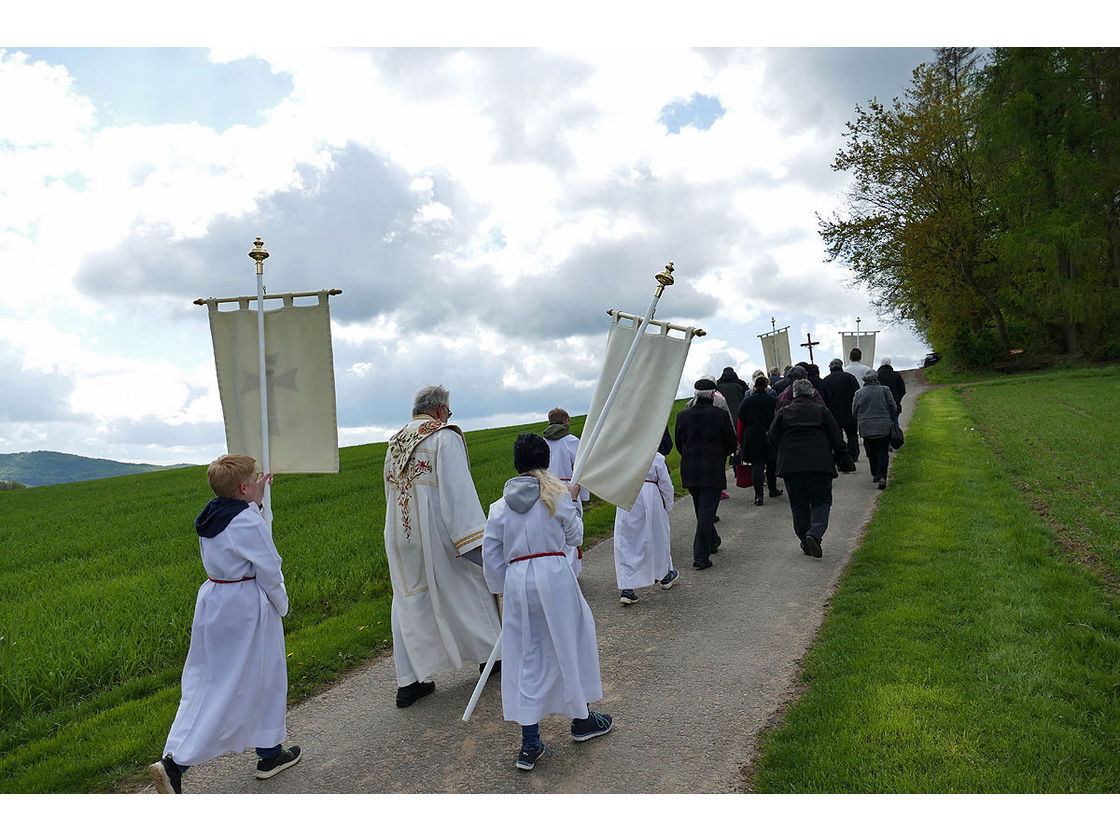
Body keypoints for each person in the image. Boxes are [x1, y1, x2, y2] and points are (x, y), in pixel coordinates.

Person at [149, 455, 300, 794]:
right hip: (247, 605)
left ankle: (270, 752)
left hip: (216, 601)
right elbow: (269, 566)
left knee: (212, 681)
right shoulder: (246, 521)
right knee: (253, 680)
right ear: (243, 487)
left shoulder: (214, 514)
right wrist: (282, 604)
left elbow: (238, 535)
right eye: (252, 480)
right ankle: (176, 765)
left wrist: (256, 502)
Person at [482, 434, 613, 771]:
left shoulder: (498, 507)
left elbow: (491, 556)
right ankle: (581, 719)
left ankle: (530, 742)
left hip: (518, 582)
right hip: (554, 576)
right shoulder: (557, 495)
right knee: (568, 643)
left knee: (527, 654)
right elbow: (576, 537)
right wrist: (571, 508)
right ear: (545, 460)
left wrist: (503, 588)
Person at [383, 385, 502, 708]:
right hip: (438, 533)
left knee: (409, 602)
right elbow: (457, 490)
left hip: (400, 534)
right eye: (448, 412)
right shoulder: (444, 436)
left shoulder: (395, 442)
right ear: (439, 411)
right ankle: (492, 656)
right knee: (469, 585)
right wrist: (474, 539)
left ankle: (409, 682)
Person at [767, 380, 856, 558]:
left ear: (794, 394)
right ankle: (814, 533)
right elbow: (836, 438)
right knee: (821, 502)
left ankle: (806, 542)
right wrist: (845, 461)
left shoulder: (784, 412)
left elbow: (772, 437)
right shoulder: (822, 411)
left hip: (791, 465)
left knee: (799, 505)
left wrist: (784, 450)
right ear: (812, 394)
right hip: (819, 464)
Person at [674, 378, 737, 570]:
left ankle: (712, 541)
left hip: (690, 468)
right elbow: (731, 442)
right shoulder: (720, 415)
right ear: (712, 395)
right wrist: (721, 455)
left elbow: (679, 443)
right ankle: (701, 556)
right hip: (712, 468)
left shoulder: (682, 416)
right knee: (706, 512)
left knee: (701, 509)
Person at [614, 449, 677, 604]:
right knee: (658, 536)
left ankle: (627, 588)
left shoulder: (621, 455)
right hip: (651, 496)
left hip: (627, 495)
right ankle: (664, 575)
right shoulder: (655, 456)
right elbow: (665, 483)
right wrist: (668, 503)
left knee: (627, 540)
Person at [542, 406, 590, 576]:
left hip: (546, 488)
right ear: (566, 421)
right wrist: (581, 495)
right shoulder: (572, 441)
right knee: (571, 529)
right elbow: (579, 468)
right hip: (567, 489)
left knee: (553, 530)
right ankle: (570, 572)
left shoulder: (543, 441)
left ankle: (557, 570)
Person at [737, 374, 784, 506]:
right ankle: (773, 489)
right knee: (771, 464)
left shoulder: (746, 402)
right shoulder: (773, 401)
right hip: (769, 434)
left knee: (757, 465)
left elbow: (740, 423)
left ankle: (759, 496)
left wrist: (741, 440)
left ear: (754, 387)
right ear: (766, 386)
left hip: (752, 435)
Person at [851, 370, 897, 490]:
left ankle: (875, 473)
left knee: (870, 451)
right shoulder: (884, 390)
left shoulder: (859, 393)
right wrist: (888, 416)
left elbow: (854, 410)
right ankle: (882, 476)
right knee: (882, 451)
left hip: (866, 427)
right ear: (876, 378)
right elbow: (893, 406)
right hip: (883, 426)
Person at [820, 358, 862, 463]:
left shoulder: (826, 380)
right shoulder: (850, 378)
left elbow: (823, 399)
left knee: (837, 437)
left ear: (830, 367)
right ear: (841, 366)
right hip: (849, 412)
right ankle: (853, 455)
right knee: (852, 436)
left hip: (833, 415)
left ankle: (840, 456)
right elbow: (857, 394)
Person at [876, 356, 907, 442]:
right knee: (894, 421)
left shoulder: (877, 376)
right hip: (894, 404)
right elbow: (903, 390)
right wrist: (897, 399)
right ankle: (895, 440)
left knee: (882, 424)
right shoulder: (896, 375)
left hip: (880, 404)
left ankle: (884, 442)